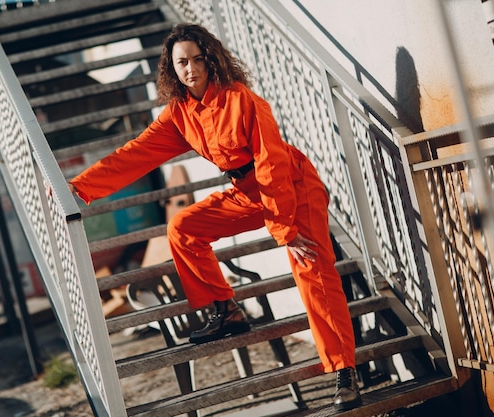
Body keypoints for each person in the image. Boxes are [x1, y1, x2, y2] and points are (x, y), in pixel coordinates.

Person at [69, 23, 361, 411]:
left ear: (210, 60)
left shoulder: (242, 100)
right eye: (180, 63)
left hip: (292, 186)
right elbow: (135, 154)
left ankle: (345, 372)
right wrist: (78, 187)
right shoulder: (179, 113)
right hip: (246, 192)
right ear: (171, 69)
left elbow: (272, 165)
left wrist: (285, 230)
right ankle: (226, 309)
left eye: (196, 59)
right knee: (183, 227)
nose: (190, 69)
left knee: (312, 271)